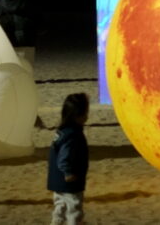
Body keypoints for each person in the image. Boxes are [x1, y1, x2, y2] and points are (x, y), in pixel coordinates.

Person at [48, 92, 90, 225]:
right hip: (70, 182)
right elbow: (63, 157)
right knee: (74, 209)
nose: (87, 116)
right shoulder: (73, 135)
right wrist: (68, 172)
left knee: (60, 207)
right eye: (85, 113)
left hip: (57, 181)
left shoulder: (63, 132)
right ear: (77, 115)